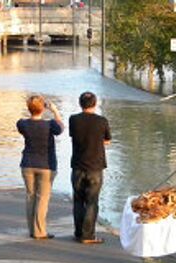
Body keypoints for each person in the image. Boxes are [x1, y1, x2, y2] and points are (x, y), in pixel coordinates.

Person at [17, 95, 63, 239]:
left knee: (30, 196)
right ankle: (40, 231)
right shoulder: (50, 125)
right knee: (42, 198)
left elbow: (21, 124)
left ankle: (32, 229)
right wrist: (55, 111)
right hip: (46, 165)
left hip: (28, 164)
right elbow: (61, 128)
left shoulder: (23, 124)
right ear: (43, 108)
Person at [69, 91, 111, 244]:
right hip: (95, 167)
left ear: (80, 104)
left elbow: (74, 136)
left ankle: (78, 233)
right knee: (92, 201)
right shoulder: (102, 121)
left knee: (78, 200)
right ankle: (88, 236)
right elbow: (107, 140)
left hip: (78, 166)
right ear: (95, 103)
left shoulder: (73, 120)